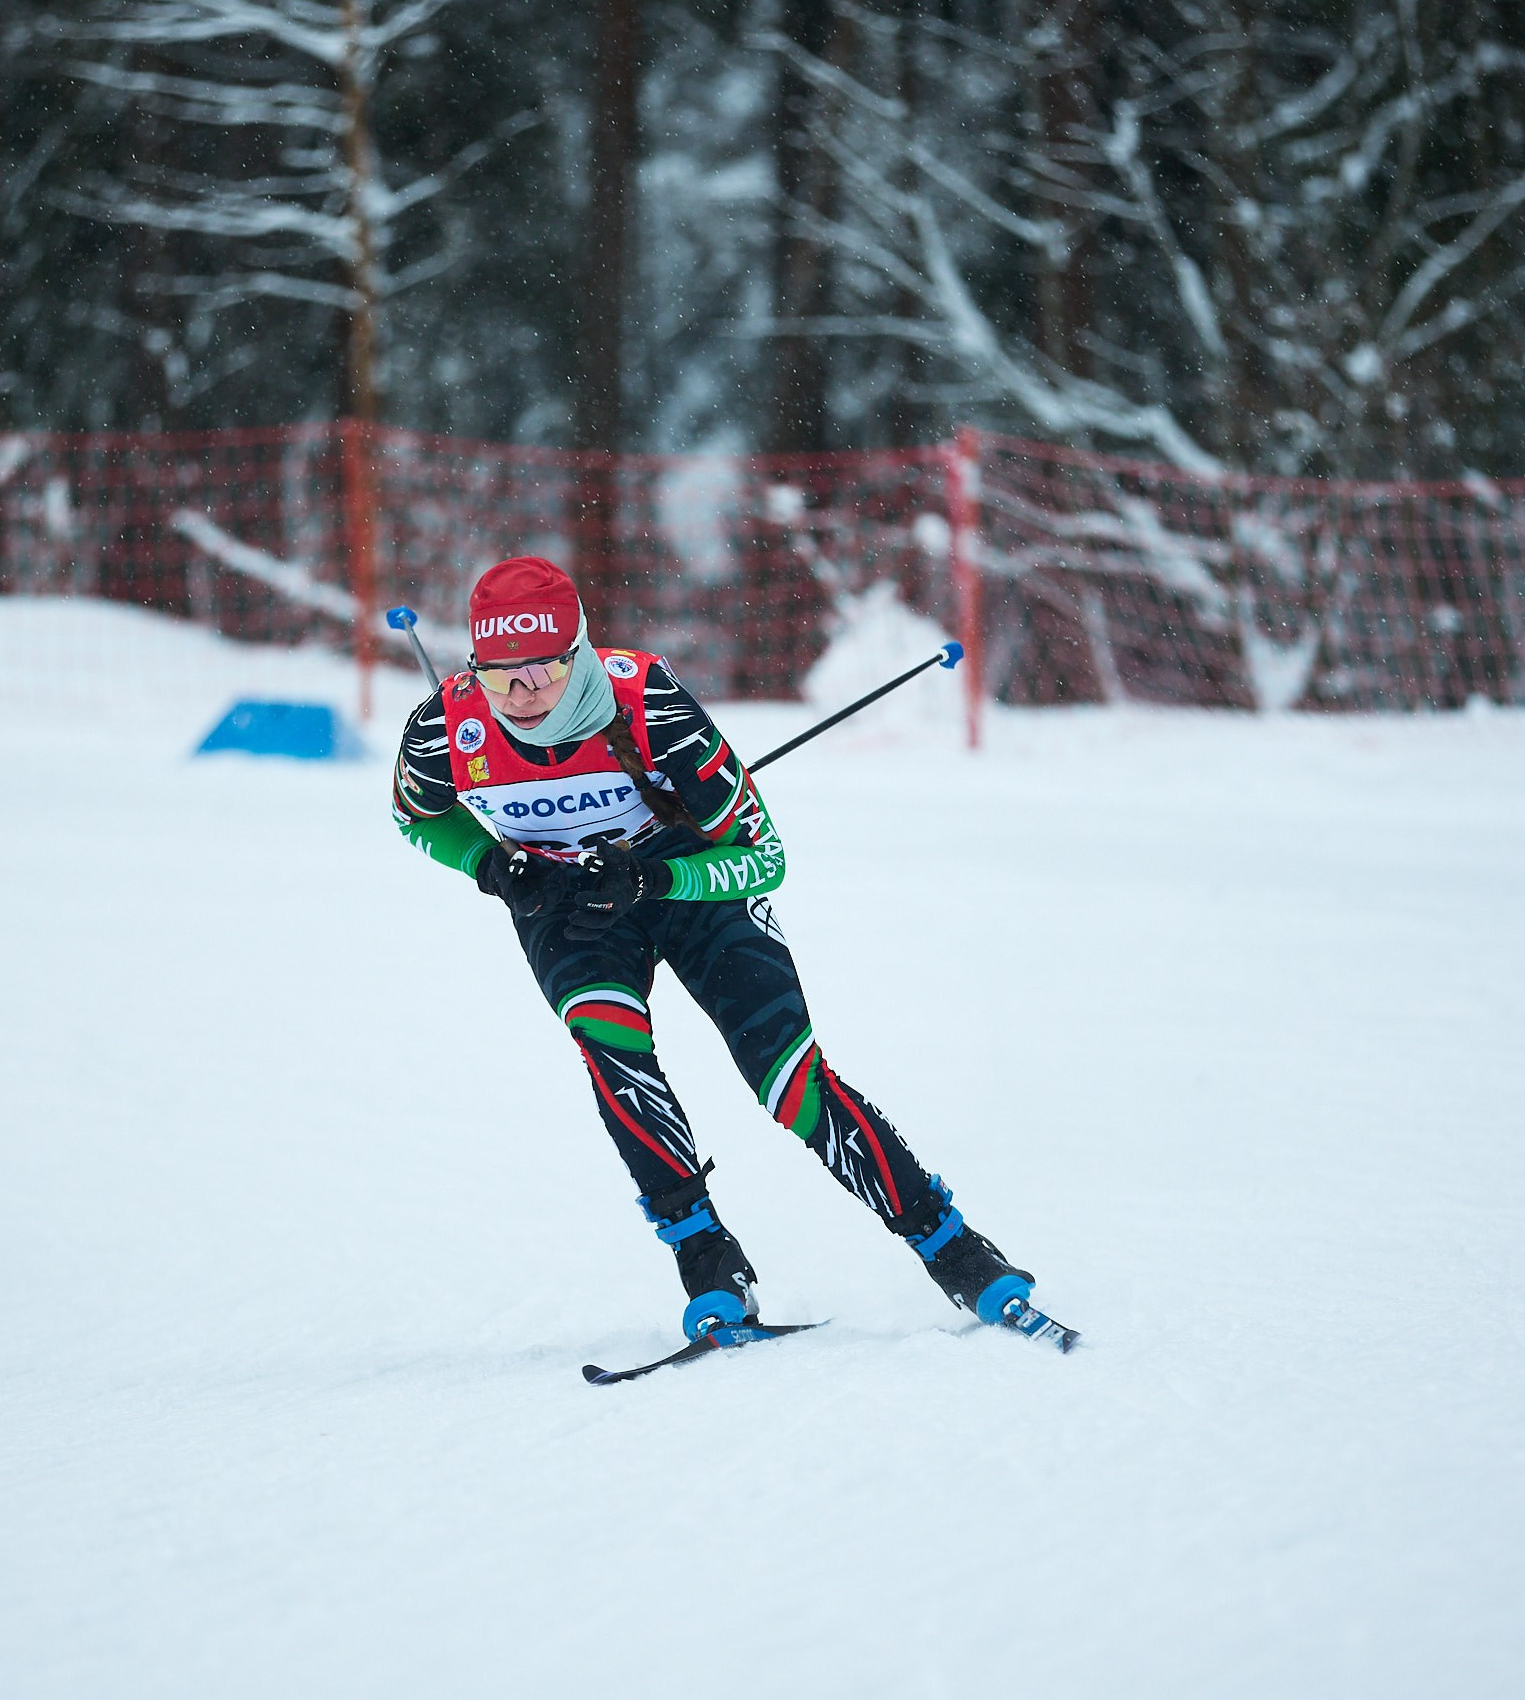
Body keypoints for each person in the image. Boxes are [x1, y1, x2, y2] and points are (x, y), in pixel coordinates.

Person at [390, 555, 1062, 1344]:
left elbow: (765, 853)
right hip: (566, 904)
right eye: (501, 679)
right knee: (615, 1057)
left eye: (542, 672)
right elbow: (416, 815)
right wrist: (493, 864)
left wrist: (650, 876)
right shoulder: (449, 725)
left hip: (690, 886)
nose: (523, 697)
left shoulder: (647, 706)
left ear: (577, 653)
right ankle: (710, 1267)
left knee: (790, 1085)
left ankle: (957, 1252)